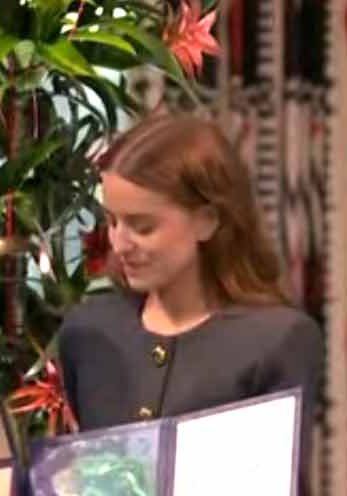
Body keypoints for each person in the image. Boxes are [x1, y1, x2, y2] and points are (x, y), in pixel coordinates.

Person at [58, 113, 323, 494]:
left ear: (207, 221)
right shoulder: (87, 331)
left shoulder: (279, 340)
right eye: (112, 222)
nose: (119, 244)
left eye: (143, 226)